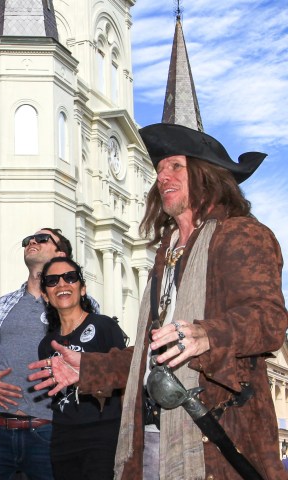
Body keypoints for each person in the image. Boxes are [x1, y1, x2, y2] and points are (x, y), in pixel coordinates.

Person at [31, 123, 288, 479]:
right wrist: (88, 369)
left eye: (175, 166)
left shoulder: (241, 233)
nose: (162, 177)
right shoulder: (165, 253)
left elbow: (268, 319)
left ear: (206, 174)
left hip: (215, 435)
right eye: (159, 170)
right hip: (154, 436)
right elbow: (153, 355)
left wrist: (206, 334)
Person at [0, 228, 77, 480]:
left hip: (48, 430)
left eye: (42, 239)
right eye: (28, 240)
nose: (32, 241)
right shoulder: (3, 303)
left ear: (60, 253)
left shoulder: (77, 303)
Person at [31, 257, 125, 479]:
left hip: (105, 434)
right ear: (45, 295)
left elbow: (125, 380)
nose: (62, 284)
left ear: (82, 289)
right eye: (52, 281)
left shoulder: (104, 326)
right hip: (64, 436)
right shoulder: (46, 345)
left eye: (70, 278)